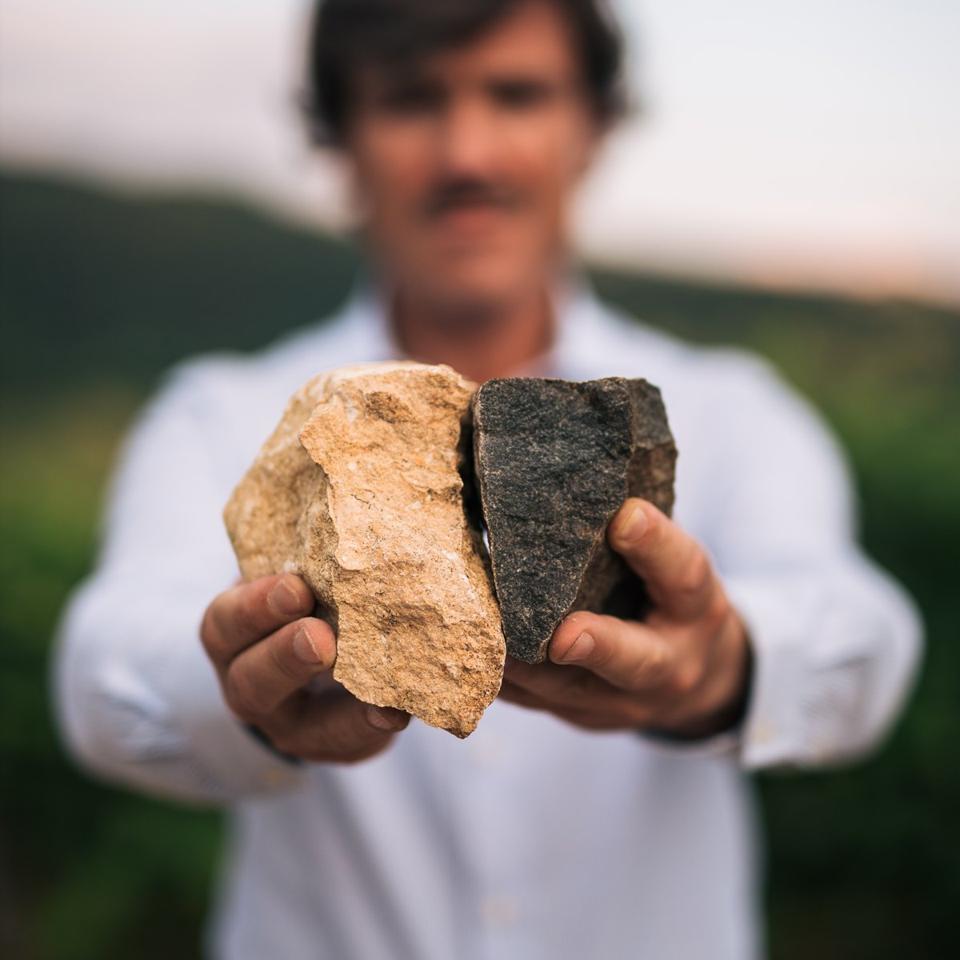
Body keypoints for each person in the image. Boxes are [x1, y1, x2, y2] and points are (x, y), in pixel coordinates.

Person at [53, 1, 922, 957]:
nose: (468, 153)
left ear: (592, 128)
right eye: (412, 101)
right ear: (340, 140)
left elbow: (863, 637)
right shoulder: (225, 412)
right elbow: (103, 672)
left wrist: (723, 665)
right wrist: (240, 695)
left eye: (518, 95)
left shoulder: (733, 410)